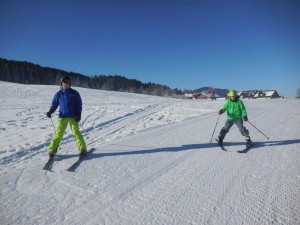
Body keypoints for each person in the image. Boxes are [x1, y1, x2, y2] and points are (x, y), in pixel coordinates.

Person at [46, 76, 87, 158]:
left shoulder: (74, 93)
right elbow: (54, 104)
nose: (66, 84)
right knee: (58, 133)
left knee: (76, 133)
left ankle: (82, 149)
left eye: (67, 83)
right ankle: (52, 149)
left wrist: (79, 114)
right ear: (62, 84)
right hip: (62, 116)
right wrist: (51, 111)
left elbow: (79, 104)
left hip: (73, 116)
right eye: (64, 83)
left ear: (70, 84)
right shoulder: (59, 94)